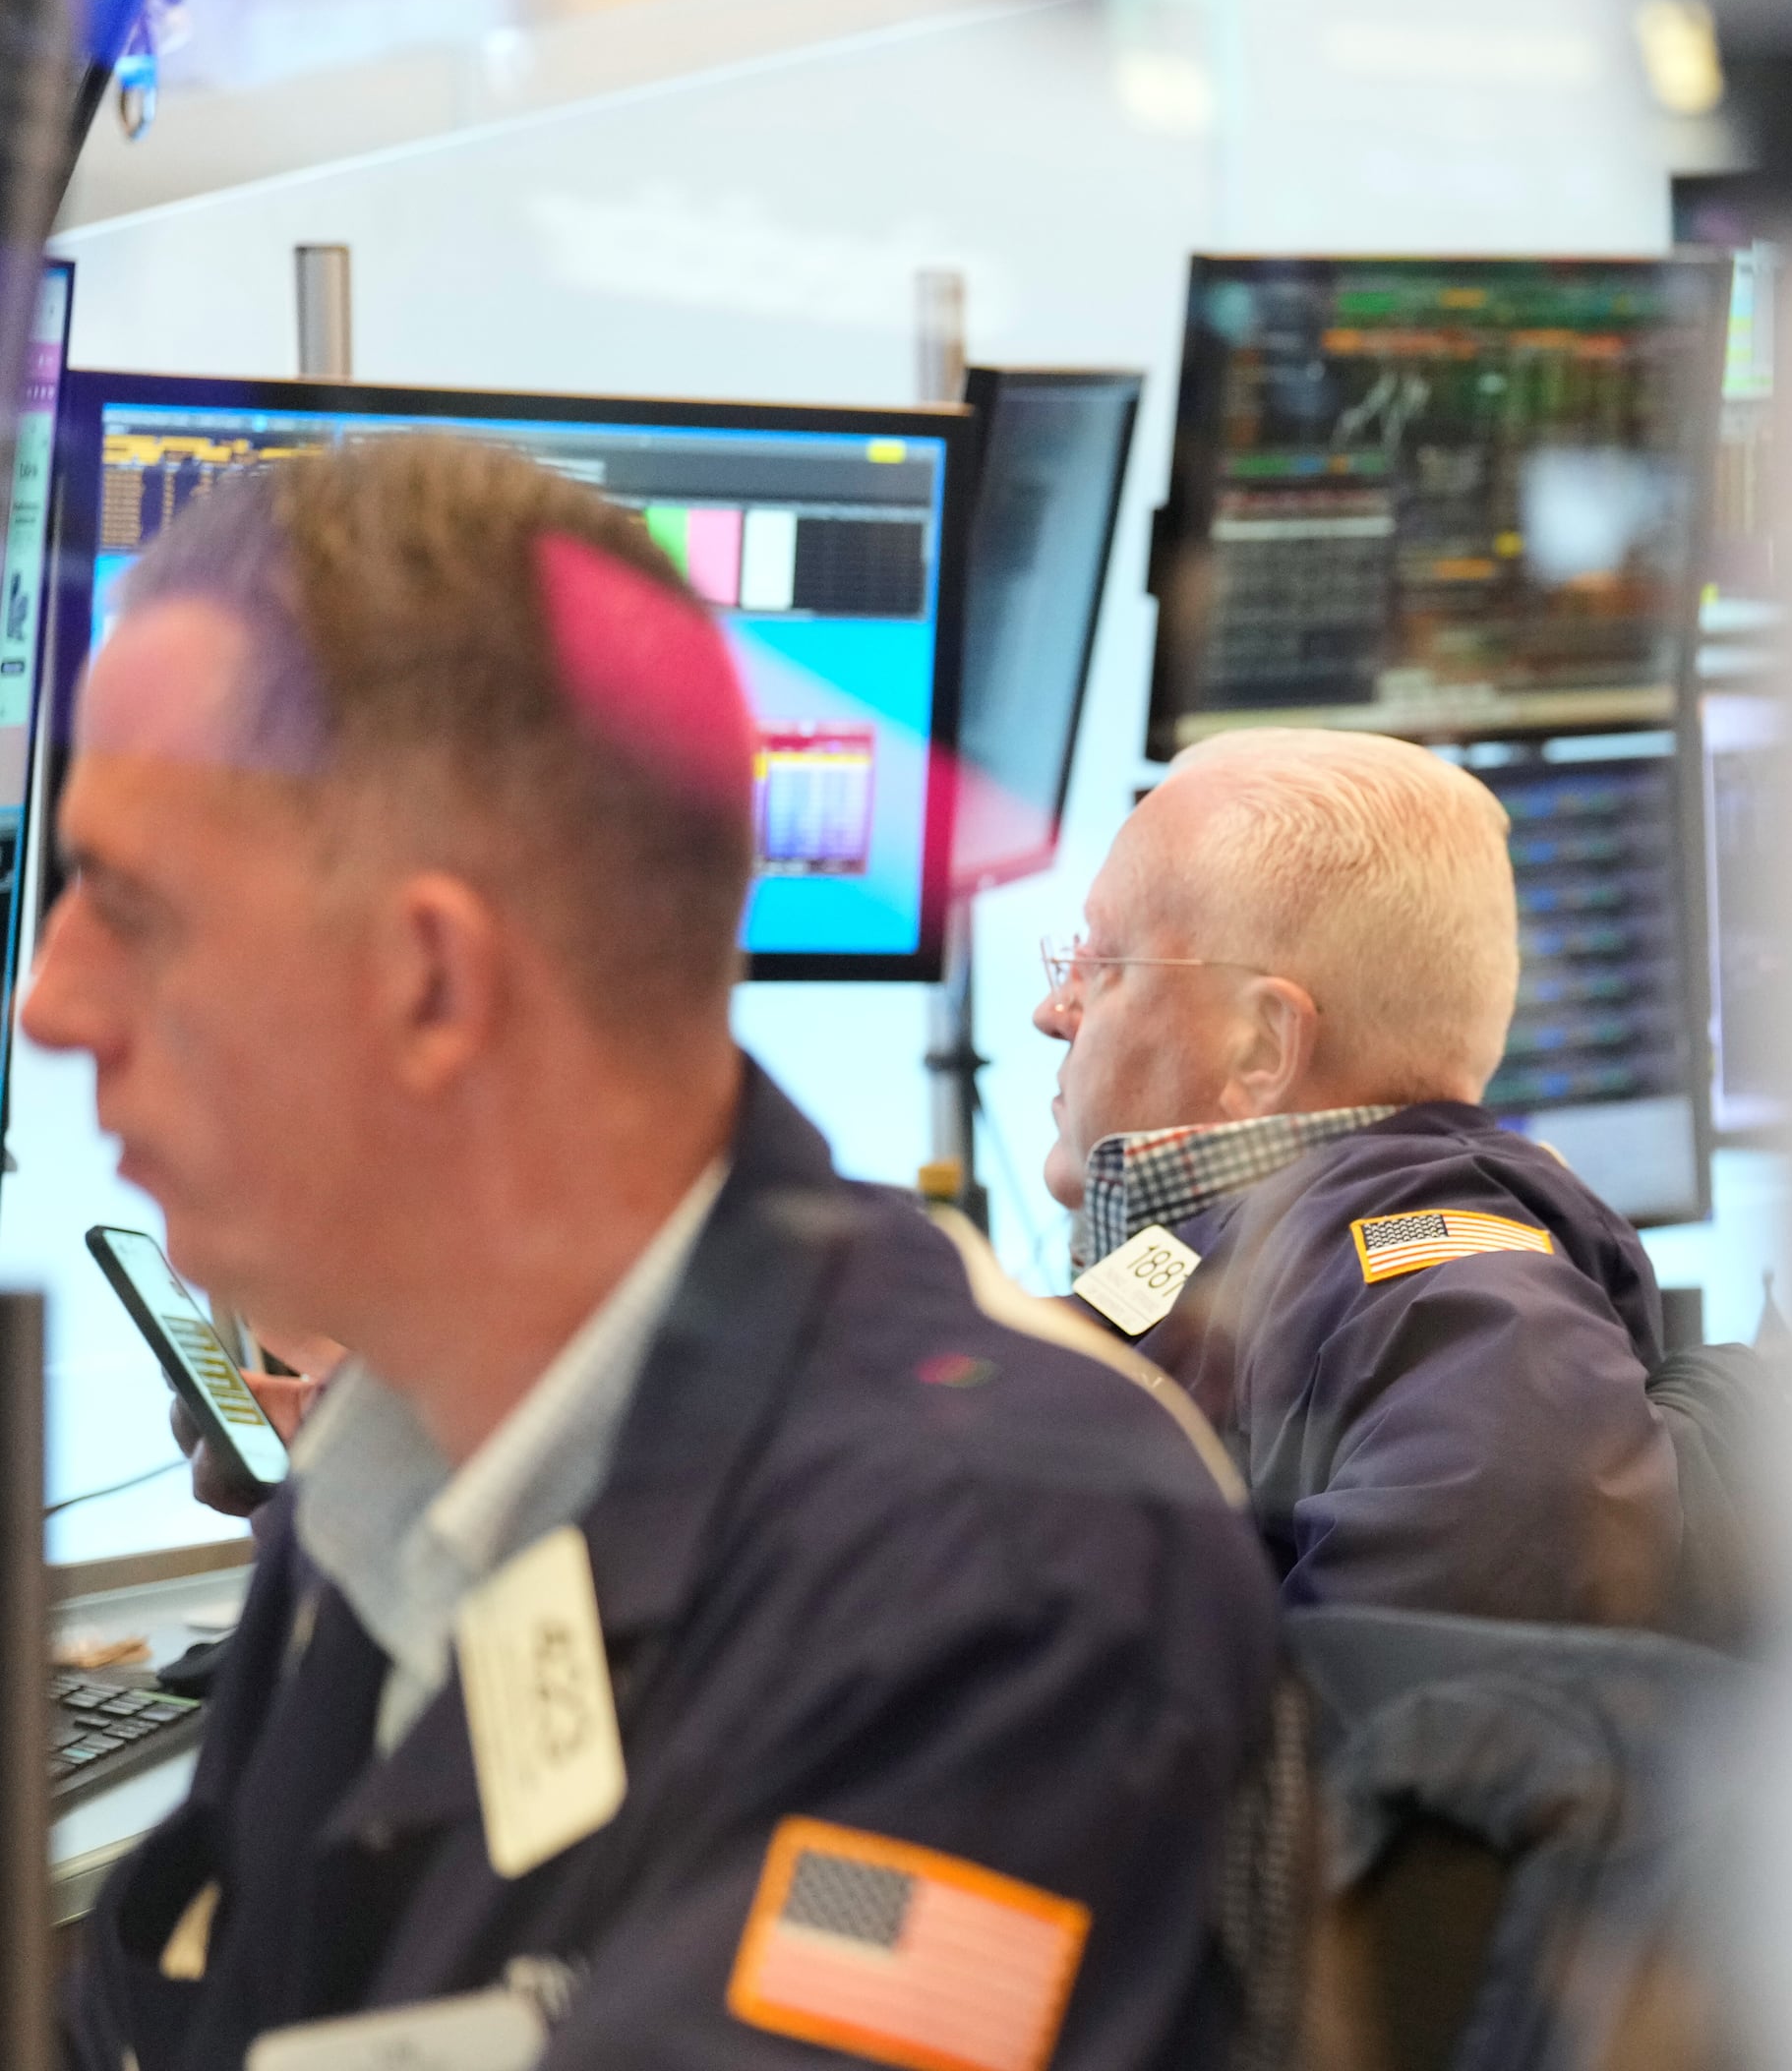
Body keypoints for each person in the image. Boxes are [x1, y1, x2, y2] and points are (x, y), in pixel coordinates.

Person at [41, 436, 1278, 2069]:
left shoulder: (1002, 1578)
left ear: (432, 982)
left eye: (128, 906)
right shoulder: (386, 1476)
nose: (51, 999)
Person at [1036, 726, 1678, 1627]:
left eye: (1102, 963)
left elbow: (1456, 1704)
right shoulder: (1248, 1256)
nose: (1051, 1009)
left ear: (1260, 1043)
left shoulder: (1421, 1263)